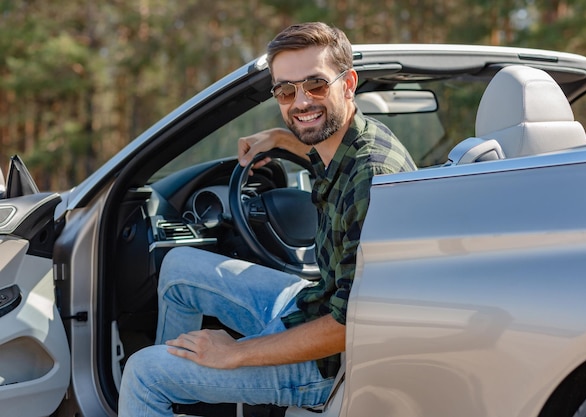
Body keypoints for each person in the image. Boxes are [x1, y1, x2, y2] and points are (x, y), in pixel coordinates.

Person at [118, 21, 417, 416]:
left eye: (316, 85)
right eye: (286, 90)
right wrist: (279, 138)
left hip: (331, 365)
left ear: (348, 84)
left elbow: (351, 325)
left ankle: (168, 384)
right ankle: (183, 387)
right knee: (178, 267)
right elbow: (321, 147)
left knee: (142, 373)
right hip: (312, 304)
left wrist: (234, 353)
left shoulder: (373, 180)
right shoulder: (356, 140)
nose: (301, 101)